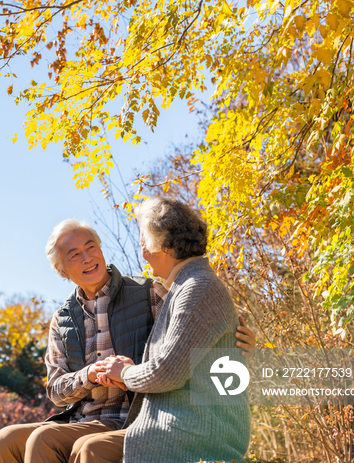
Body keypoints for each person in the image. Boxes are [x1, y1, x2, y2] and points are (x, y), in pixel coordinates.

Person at [0, 218, 255, 463]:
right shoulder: (62, 320)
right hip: (81, 419)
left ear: (101, 249)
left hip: (135, 415)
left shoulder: (149, 292)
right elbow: (56, 392)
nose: (87, 257)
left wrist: (236, 341)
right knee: (6, 439)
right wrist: (89, 375)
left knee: (44, 439)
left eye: (90, 247)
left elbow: (194, 333)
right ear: (61, 270)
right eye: (74, 255)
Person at [97, 197, 251, 463]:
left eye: (144, 240)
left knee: (91, 450)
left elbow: (167, 371)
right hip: (179, 427)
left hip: (195, 432)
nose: (142, 250)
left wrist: (124, 372)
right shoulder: (183, 287)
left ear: (165, 244)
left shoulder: (197, 288)